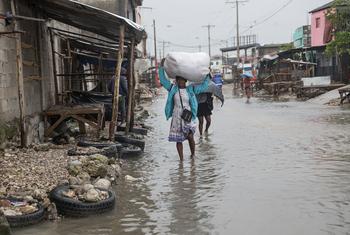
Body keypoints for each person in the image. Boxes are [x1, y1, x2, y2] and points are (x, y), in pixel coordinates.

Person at [159, 60, 209, 161]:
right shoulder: (173, 88)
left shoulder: (190, 89)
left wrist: (208, 75)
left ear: (186, 81)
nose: (180, 82)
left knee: (190, 136)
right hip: (177, 116)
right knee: (179, 140)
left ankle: (193, 155)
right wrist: (161, 68)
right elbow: (163, 80)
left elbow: (203, 87)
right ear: (176, 81)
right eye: (179, 80)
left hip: (188, 115)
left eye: (182, 80)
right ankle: (181, 160)